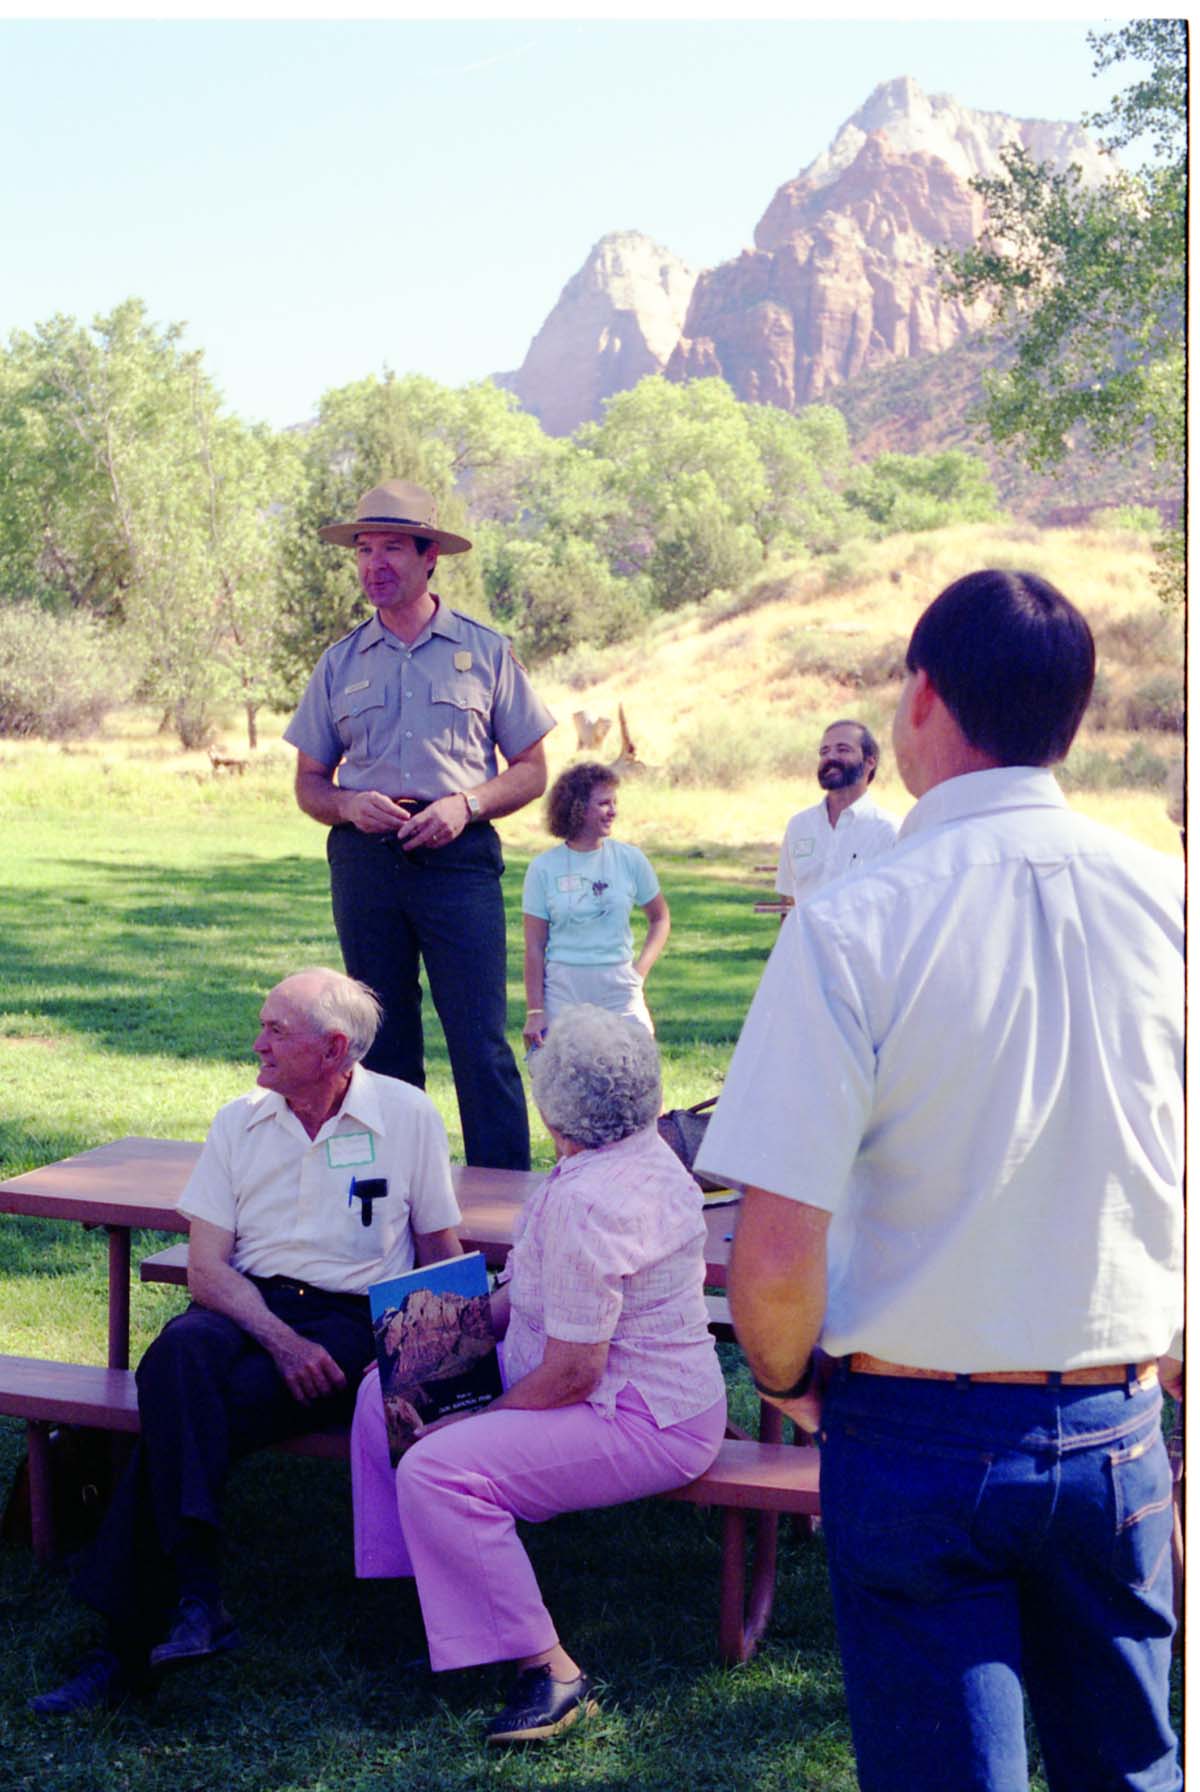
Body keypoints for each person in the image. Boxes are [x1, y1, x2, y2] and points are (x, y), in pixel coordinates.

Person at [698, 569, 1184, 1792]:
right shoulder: (1170, 906)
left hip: (914, 1423)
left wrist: (789, 1378)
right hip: (1118, 1414)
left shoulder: (856, 924)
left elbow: (772, 1248)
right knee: (1128, 1771)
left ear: (921, 698)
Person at [32, 968, 462, 1716]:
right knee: (177, 1357)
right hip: (248, 1304)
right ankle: (196, 1596)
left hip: (346, 1322)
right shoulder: (240, 1120)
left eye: (275, 1031)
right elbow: (205, 1269)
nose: (255, 1043)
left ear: (333, 1050)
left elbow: (441, 1249)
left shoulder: (407, 1116)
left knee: (185, 1414)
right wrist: (278, 1339)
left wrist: (450, 1378)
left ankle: (131, 1643)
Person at [350, 1005, 727, 1745]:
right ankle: (412, 1600)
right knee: (379, 1394)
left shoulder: (589, 1200)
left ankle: (552, 1674)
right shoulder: (634, 1155)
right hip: (602, 1388)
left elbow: (573, 1374)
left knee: (438, 1468)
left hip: (643, 1417)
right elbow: (527, 1298)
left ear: (554, 1109)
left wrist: (473, 1422)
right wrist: (423, 1345)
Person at [284, 478, 556, 1171]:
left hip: (458, 861)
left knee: (480, 1042)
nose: (374, 564)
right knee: (377, 1041)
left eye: (392, 549)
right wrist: (347, 804)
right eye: (363, 549)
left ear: (430, 556)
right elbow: (309, 784)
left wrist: (465, 805)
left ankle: (502, 1213)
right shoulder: (338, 662)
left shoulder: (485, 652)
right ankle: (385, 1202)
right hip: (366, 864)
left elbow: (531, 767)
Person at [522, 761, 670, 1047]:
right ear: (577, 808)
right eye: (604, 803)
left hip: (619, 985)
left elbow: (660, 918)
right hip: (564, 987)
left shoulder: (630, 859)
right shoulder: (543, 868)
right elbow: (534, 946)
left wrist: (638, 973)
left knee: (635, 1072)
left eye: (614, 802)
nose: (613, 811)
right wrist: (535, 1011)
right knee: (567, 1077)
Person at [775, 718, 898, 910]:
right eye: (824, 751)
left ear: (869, 762)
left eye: (843, 749)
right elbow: (788, 905)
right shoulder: (799, 826)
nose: (830, 757)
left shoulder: (889, 831)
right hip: (802, 941)